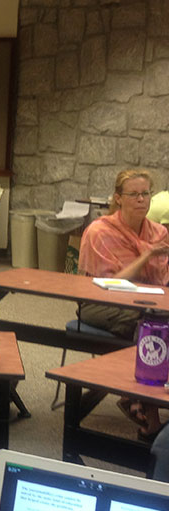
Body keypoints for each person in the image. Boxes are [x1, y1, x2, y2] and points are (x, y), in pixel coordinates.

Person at [78, 169, 169, 441]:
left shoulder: (158, 232)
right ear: (118, 198)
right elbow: (110, 284)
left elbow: (163, 280)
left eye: (146, 194)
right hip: (100, 302)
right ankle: (147, 411)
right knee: (149, 325)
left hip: (146, 302)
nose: (141, 199)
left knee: (155, 320)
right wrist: (147, 255)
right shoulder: (100, 231)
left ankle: (141, 396)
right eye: (134, 194)